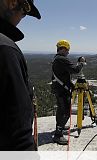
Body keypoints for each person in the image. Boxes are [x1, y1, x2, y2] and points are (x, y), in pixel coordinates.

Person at [0, 0, 41, 150]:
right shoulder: (6, 50)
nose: (20, 20)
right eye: (24, 12)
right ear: (12, 3)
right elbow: (18, 133)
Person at [51, 40, 85, 145]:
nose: (68, 52)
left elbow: (62, 75)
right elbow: (75, 70)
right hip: (62, 90)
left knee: (61, 110)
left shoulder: (56, 58)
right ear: (63, 48)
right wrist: (81, 63)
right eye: (67, 50)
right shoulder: (61, 59)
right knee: (65, 112)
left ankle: (59, 127)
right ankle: (58, 135)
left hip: (59, 88)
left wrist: (70, 85)